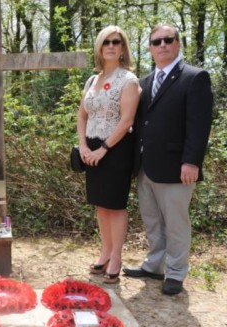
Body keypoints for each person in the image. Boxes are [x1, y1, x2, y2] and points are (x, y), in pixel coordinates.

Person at [123, 24, 213, 295]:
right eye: (156, 41)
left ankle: (175, 272)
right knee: (152, 220)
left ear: (177, 44)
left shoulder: (195, 78)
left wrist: (192, 161)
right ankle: (154, 265)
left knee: (175, 222)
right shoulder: (143, 83)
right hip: (145, 167)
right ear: (150, 48)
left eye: (168, 40)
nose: (162, 45)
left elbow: (199, 125)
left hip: (177, 168)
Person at [77, 25, 140, 284]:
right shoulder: (92, 80)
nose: (111, 46)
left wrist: (104, 149)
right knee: (101, 205)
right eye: (106, 42)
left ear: (123, 48)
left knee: (115, 205)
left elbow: (126, 121)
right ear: (100, 48)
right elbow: (82, 116)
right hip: (90, 148)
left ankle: (116, 257)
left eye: (116, 42)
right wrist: (83, 146)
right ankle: (105, 252)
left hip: (116, 149)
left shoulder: (129, 81)